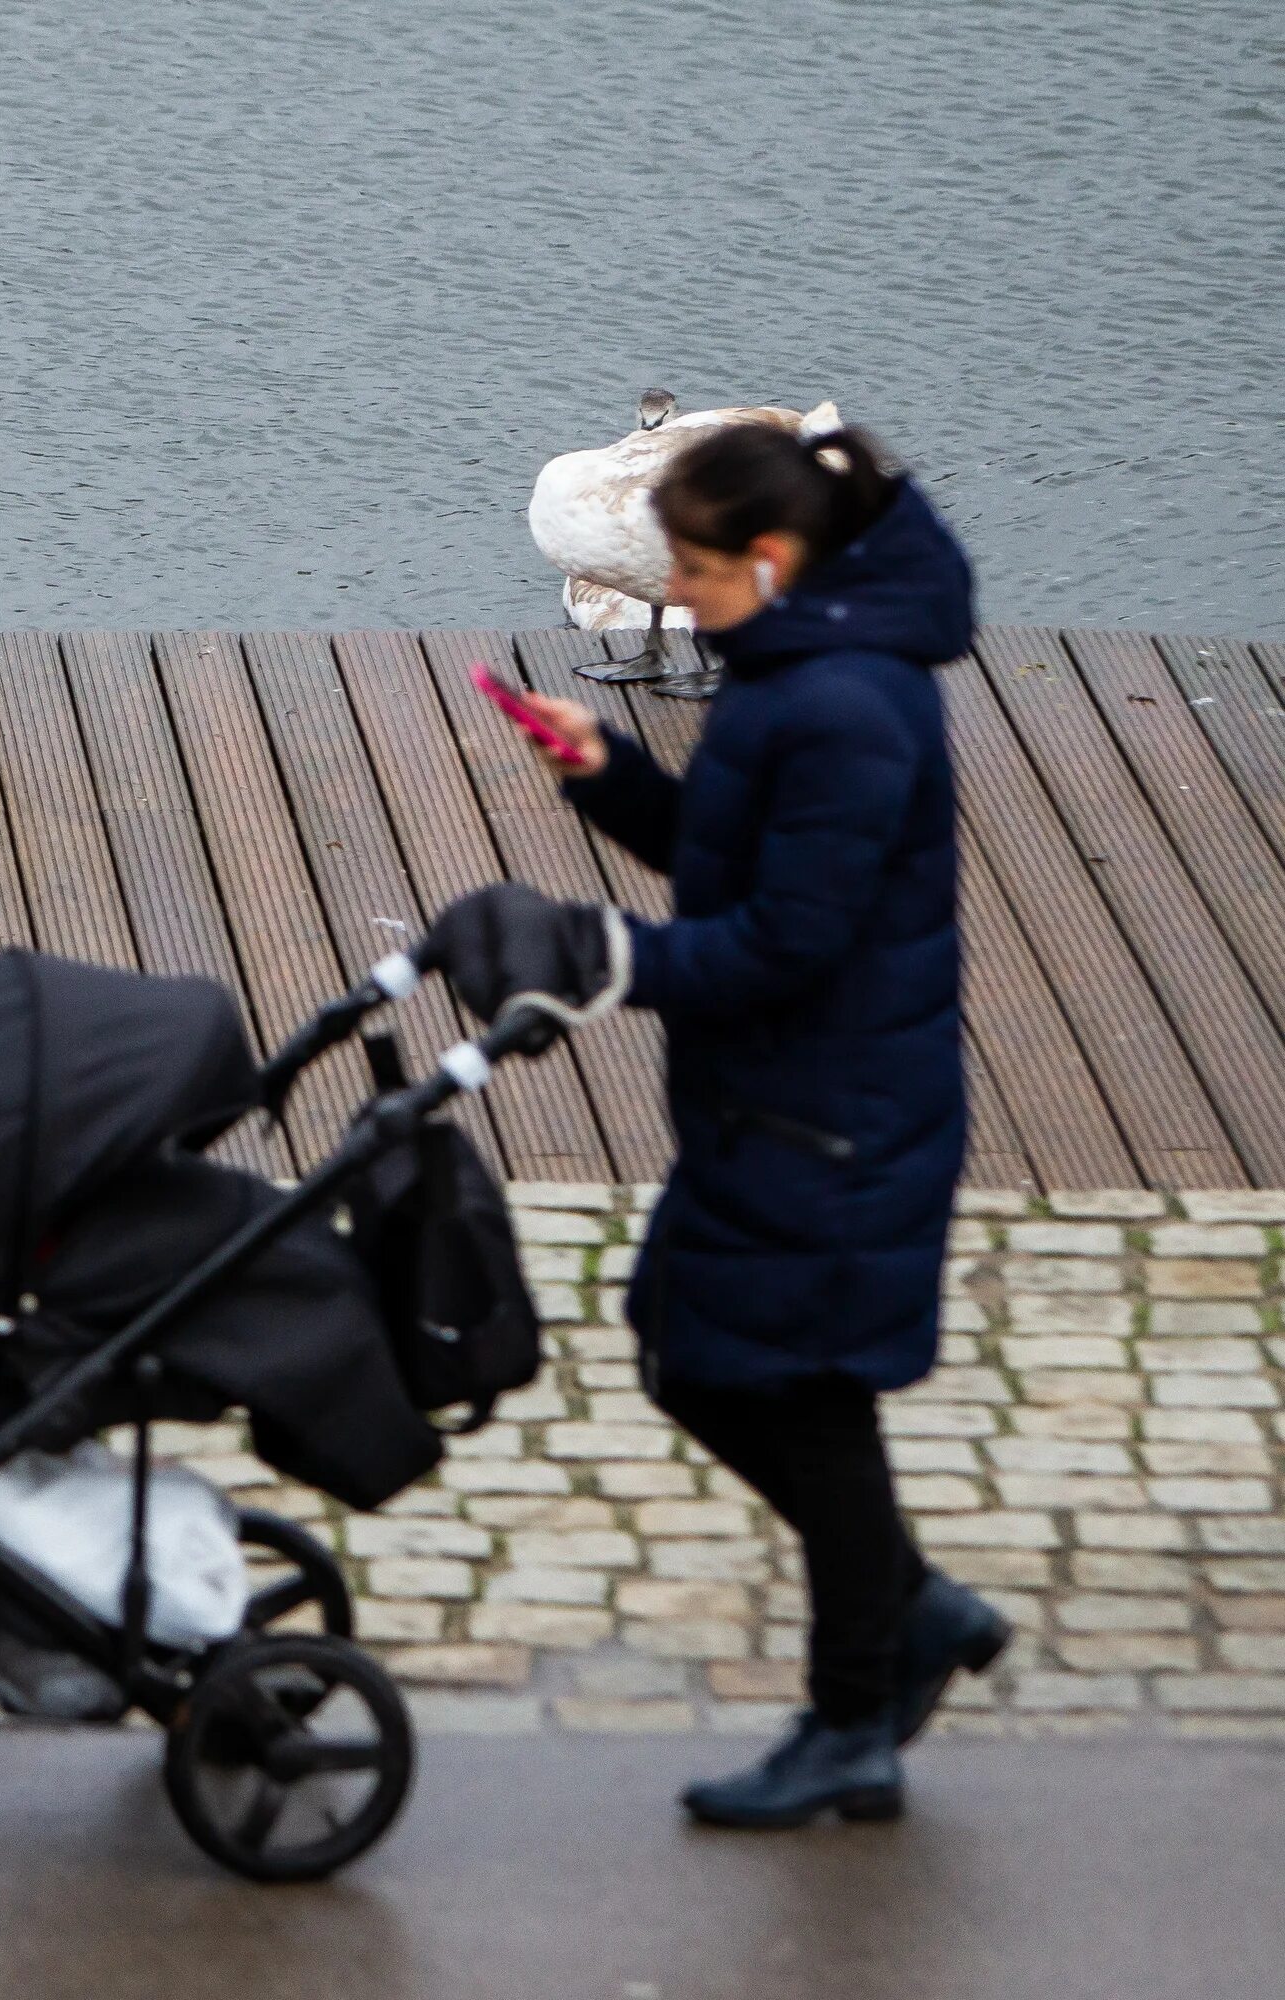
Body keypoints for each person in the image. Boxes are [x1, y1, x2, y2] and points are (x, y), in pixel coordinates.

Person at [424, 421, 1012, 1828]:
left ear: (770, 555)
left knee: (807, 1404)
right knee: (693, 1349)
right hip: (782, 1107)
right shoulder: (792, 668)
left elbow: (785, 945)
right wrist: (607, 771)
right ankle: (907, 1611)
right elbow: (729, 854)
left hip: (838, 1118)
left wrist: (608, 963)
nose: (673, 592)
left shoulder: (851, 705)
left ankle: (855, 1717)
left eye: (691, 565)